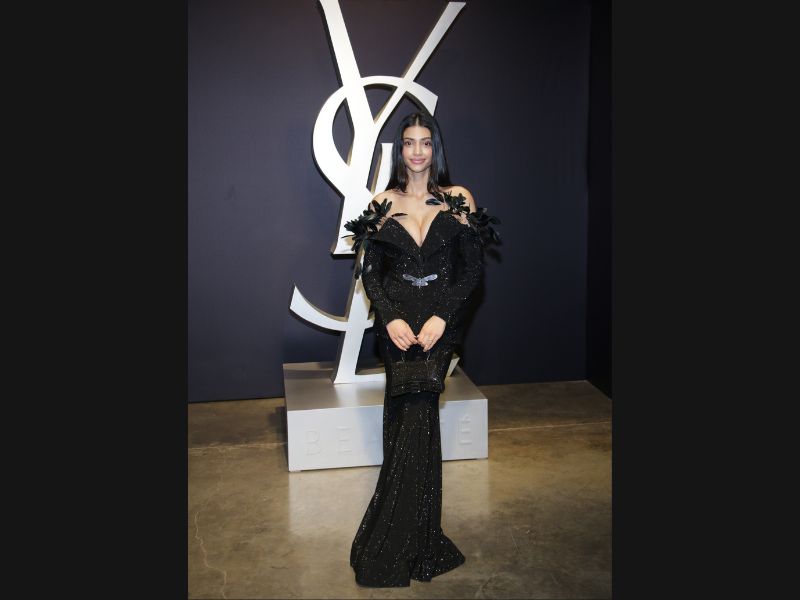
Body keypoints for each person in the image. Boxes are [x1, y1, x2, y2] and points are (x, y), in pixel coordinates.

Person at [343, 111, 500, 588]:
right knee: (405, 422)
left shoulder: (458, 199)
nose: (417, 151)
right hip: (397, 331)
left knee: (419, 417)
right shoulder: (381, 203)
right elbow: (371, 274)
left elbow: (472, 271)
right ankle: (416, 537)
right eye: (409, 142)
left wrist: (441, 318)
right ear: (400, 150)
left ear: (436, 149)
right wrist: (390, 317)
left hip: (438, 330)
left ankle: (403, 540)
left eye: (425, 142)